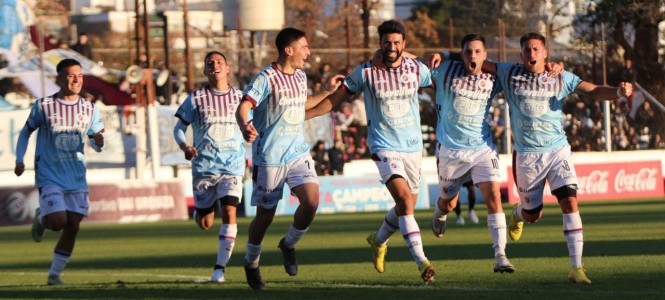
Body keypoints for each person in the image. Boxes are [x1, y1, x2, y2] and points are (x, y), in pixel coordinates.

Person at [486, 32, 633, 284]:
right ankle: (519, 213)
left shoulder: (560, 77)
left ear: (545, 53)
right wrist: (443, 56)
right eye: (526, 50)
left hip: (557, 151)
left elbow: (595, 90)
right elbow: (476, 62)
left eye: (536, 49)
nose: (531, 54)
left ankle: (576, 268)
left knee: (570, 202)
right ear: (521, 54)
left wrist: (618, 92)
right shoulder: (509, 73)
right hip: (527, 157)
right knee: (533, 215)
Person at [306, 20, 436, 283]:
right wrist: (303, 116)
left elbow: (441, 74)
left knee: (406, 203)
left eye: (396, 43)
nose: (391, 47)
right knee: (403, 201)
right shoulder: (366, 72)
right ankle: (422, 262)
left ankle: (378, 241)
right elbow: (335, 100)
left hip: (412, 147)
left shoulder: (415, 69)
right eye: (387, 43)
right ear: (380, 44)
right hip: (383, 145)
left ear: (403, 45)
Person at [235, 27, 342, 290]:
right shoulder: (266, 78)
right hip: (269, 157)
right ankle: (251, 263)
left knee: (311, 201)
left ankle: (289, 243)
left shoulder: (300, 76)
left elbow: (302, 104)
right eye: (304, 46)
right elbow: (244, 106)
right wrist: (245, 125)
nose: (308, 51)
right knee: (265, 217)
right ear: (289, 49)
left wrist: (328, 91)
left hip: (297, 151)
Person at [14, 58, 105, 285]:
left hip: (76, 176)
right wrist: (19, 159)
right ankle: (42, 218)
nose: (76, 80)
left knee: (73, 226)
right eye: (71, 75)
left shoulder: (90, 108)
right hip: (49, 174)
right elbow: (25, 133)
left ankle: (54, 275)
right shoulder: (43, 106)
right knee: (57, 222)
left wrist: (99, 141)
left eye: (80, 76)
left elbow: (97, 144)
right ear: (59, 78)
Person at [428, 34, 514, 273]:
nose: (472, 56)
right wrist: (444, 54)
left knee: (494, 196)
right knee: (449, 202)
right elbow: (411, 62)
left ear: (485, 55)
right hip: (450, 150)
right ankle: (439, 212)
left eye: (478, 52)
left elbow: (526, 71)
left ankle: (500, 255)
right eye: (467, 52)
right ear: (461, 54)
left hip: (482, 148)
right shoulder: (445, 70)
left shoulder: (494, 77)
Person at [172, 51, 245, 283]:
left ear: (228, 68)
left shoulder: (241, 98)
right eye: (210, 63)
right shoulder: (195, 98)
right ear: (205, 71)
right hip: (204, 168)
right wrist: (184, 146)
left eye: (219, 62)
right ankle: (201, 210)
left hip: (232, 166)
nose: (215, 66)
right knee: (205, 223)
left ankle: (219, 269)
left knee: (230, 211)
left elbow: (254, 122)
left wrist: (253, 132)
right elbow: (178, 128)